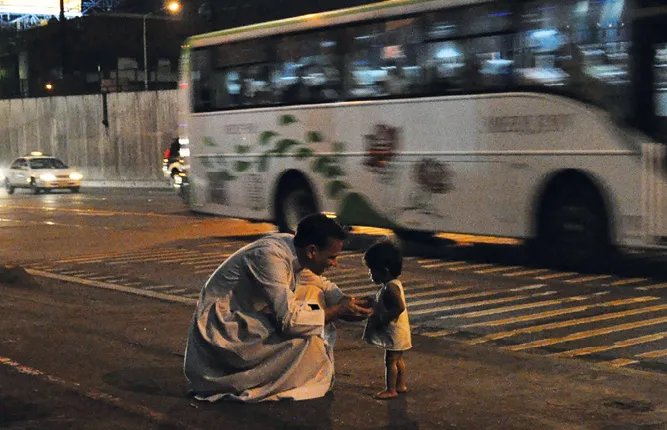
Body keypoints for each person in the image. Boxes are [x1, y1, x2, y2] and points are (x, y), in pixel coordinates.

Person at [183, 214, 373, 403]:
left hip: (244, 313)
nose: (334, 264)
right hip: (220, 328)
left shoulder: (295, 248)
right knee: (303, 331)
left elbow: (322, 286)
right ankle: (259, 378)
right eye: (331, 257)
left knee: (315, 297)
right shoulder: (269, 257)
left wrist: (348, 302)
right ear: (312, 251)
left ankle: (301, 368)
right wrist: (339, 311)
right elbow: (289, 322)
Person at [362, 239, 412, 400]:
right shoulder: (393, 284)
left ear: (384, 271)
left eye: (372, 270)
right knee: (398, 359)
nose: (370, 274)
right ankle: (401, 385)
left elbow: (399, 306)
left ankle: (391, 389)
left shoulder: (390, 287)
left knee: (390, 361)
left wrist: (383, 319)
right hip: (400, 333)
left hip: (394, 332)